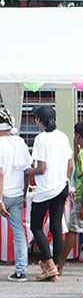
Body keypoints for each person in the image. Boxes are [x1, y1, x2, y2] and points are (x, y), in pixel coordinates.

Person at [25, 105, 73, 281]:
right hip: (62, 187)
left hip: (45, 190)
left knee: (36, 226)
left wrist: (26, 171)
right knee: (56, 226)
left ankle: (50, 265)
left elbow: (41, 168)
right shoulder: (62, 136)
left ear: (38, 119)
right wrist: (65, 181)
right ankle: (57, 267)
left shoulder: (40, 139)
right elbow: (70, 166)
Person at [57, 121, 83, 275]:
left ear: (78, 135)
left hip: (82, 197)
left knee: (73, 230)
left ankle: (60, 265)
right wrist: (75, 142)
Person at [0, 109, 31, 282]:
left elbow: (0, 175)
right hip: (17, 194)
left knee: (18, 232)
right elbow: (26, 172)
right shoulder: (20, 142)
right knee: (19, 232)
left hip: (2, 194)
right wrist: (24, 194)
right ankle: (21, 270)